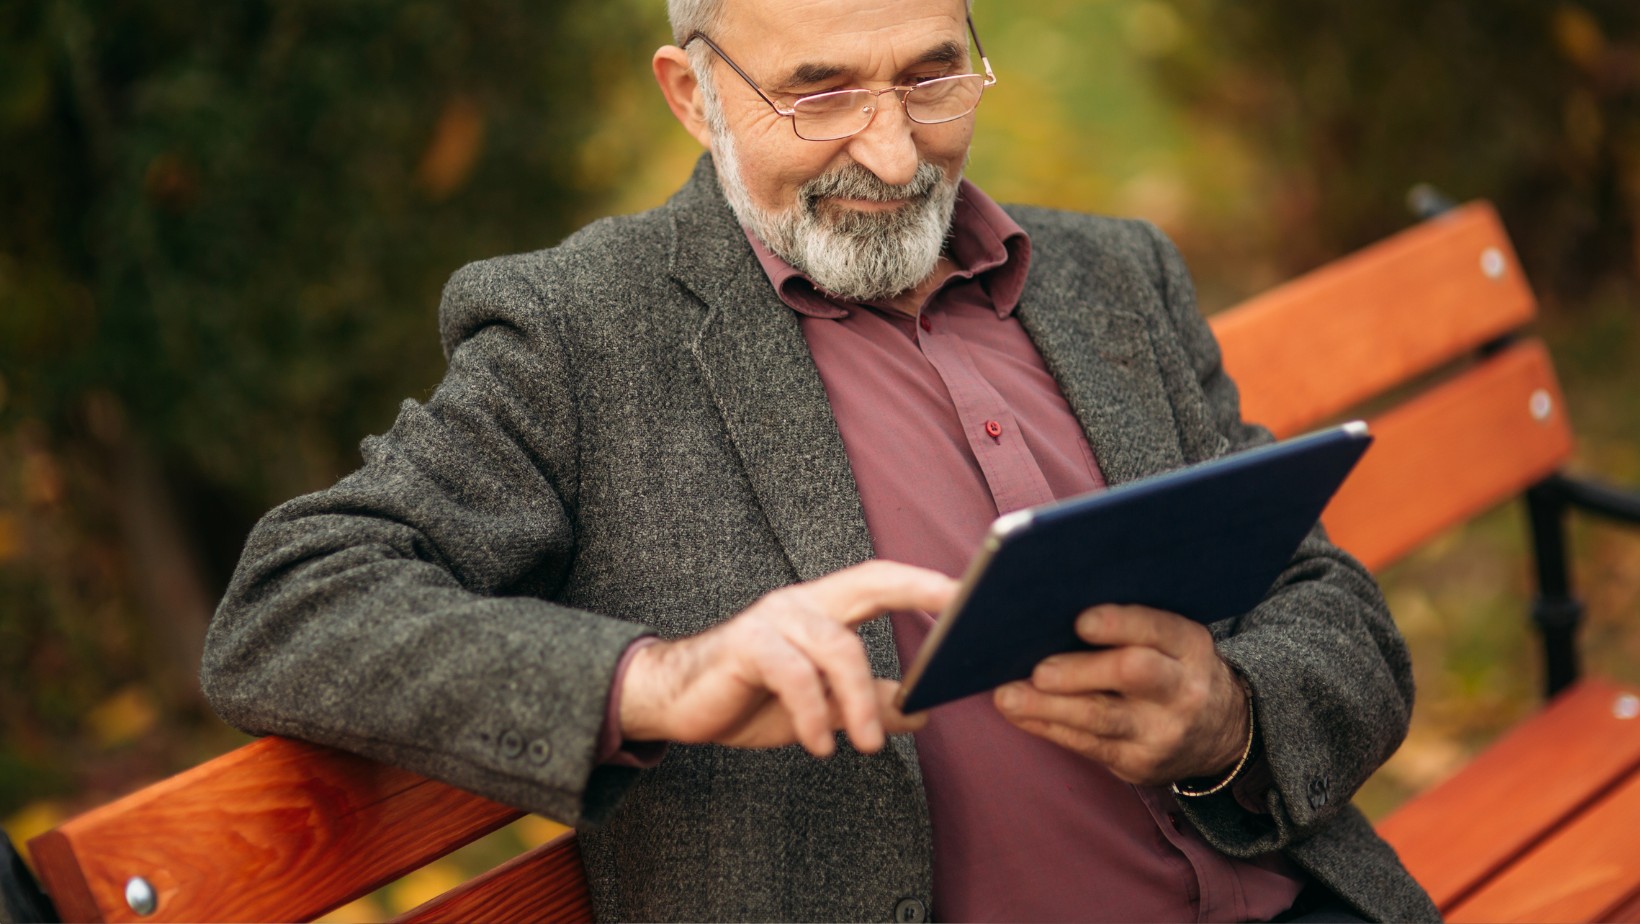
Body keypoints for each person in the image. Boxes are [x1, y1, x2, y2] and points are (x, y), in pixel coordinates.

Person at [202, 0, 1438, 920]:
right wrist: (652, 679)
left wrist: (1228, 718)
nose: (896, 154)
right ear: (691, 94)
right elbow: (291, 602)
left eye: (931, 75)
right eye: (820, 93)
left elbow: (1332, 614)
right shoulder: (582, 332)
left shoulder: (1115, 273)